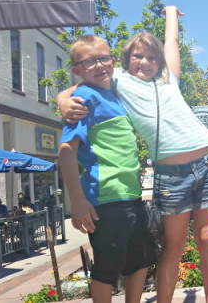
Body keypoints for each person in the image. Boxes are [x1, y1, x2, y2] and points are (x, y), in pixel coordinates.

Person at [57, 6, 208, 303]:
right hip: (171, 175)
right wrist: (62, 99)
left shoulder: (168, 78)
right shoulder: (117, 80)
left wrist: (171, 14)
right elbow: (80, 83)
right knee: (172, 247)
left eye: (151, 56)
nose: (145, 61)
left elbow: (171, 43)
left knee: (207, 238)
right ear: (123, 60)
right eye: (138, 56)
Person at [58, 35, 156, 303]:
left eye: (104, 58)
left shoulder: (114, 95)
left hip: (131, 196)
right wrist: (77, 202)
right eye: (90, 61)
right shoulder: (84, 98)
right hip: (106, 199)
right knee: (106, 269)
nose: (100, 65)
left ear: (114, 61)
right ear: (77, 70)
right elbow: (66, 153)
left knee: (142, 259)